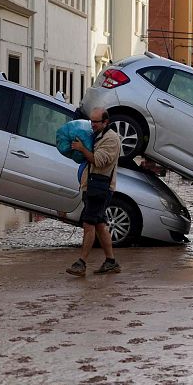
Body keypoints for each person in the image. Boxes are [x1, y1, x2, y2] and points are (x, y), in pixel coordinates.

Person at [66, 107, 122, 276]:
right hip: (92, 187)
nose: (92, 125)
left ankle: (81, 263)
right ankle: (111, 261)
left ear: (106, 122)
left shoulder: (111, 140)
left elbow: (98, 161)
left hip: (100, 188)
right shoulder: (97, 135)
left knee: (88, 224)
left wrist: (82, 149)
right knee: (99, 225)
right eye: (91, 121)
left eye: (96, 122)